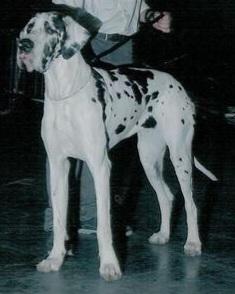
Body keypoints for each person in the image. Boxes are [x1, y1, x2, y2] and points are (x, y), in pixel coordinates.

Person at [44, 0, 171, 248]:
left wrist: (152, 15)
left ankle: (92, 217)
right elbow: (62, 7)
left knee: (100, 139)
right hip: (88, 45)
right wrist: (82, 37)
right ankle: (61, 221)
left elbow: (135, 10)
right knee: (66, 134)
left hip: (123, 48)